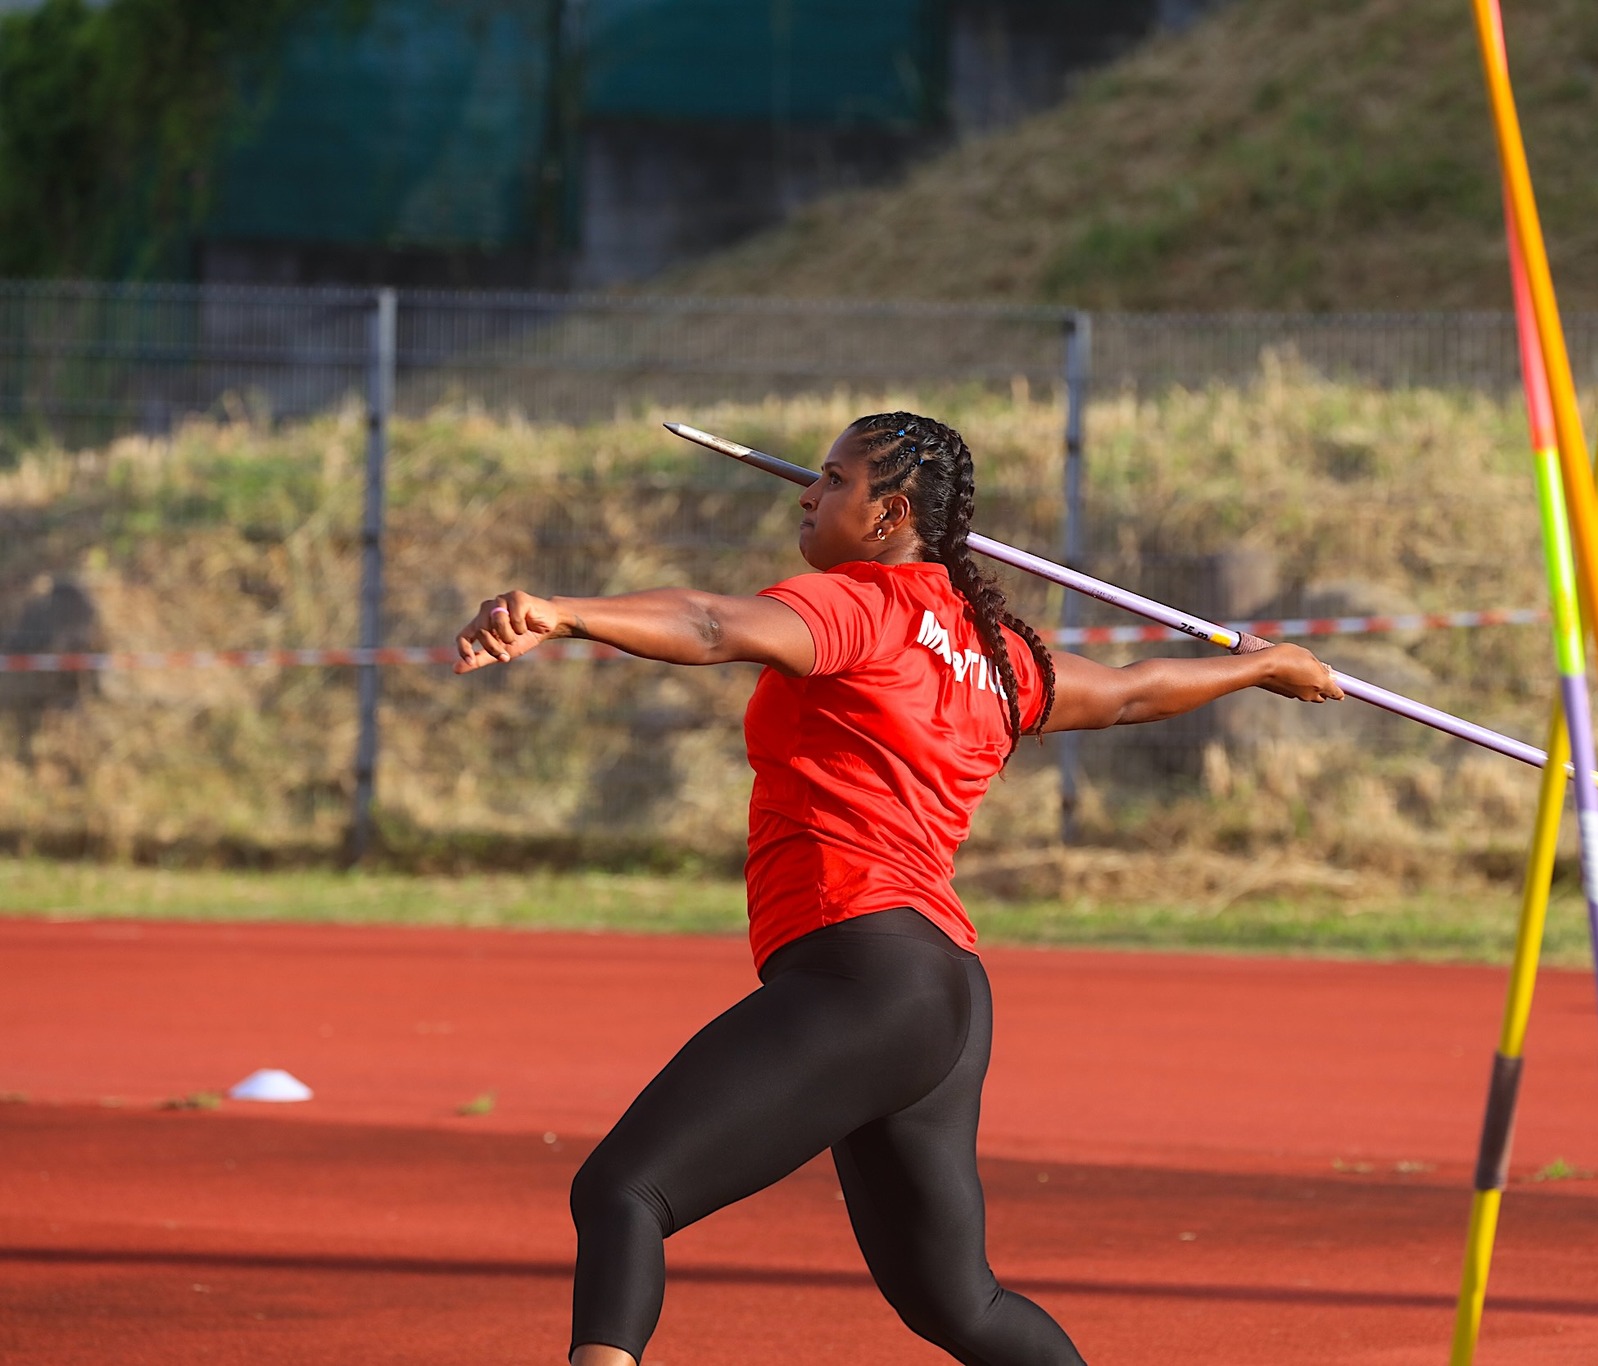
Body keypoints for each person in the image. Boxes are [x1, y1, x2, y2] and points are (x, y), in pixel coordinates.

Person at [453, 411, 1344, 1366]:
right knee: (962, 1306)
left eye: (835, 480)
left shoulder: (862, 607)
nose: (808, 494)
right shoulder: (999, 655)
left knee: (624, 1192)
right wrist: (1259, 668)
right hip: (945, 996)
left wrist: (566, 612)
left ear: (891, 516)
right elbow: (1130, 692)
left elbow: (713, 625)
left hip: (863, 974)